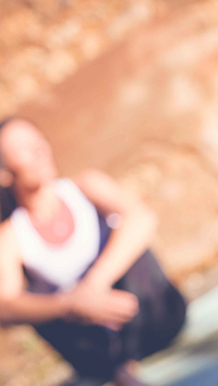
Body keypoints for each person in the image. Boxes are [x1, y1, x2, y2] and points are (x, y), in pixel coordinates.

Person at [0, 118, 187, 386]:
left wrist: (94, 284)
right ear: (4, 173)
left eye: (38, 141)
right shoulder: (11, 236)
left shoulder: (85, 187)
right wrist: (69, 304)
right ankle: (117, 366)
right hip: (98, 351)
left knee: (123, 239)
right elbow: (4, 307)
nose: (38, 150)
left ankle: (123, 359)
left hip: (157, 319)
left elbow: (142, 219)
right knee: (35, 296)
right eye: (23, 148)